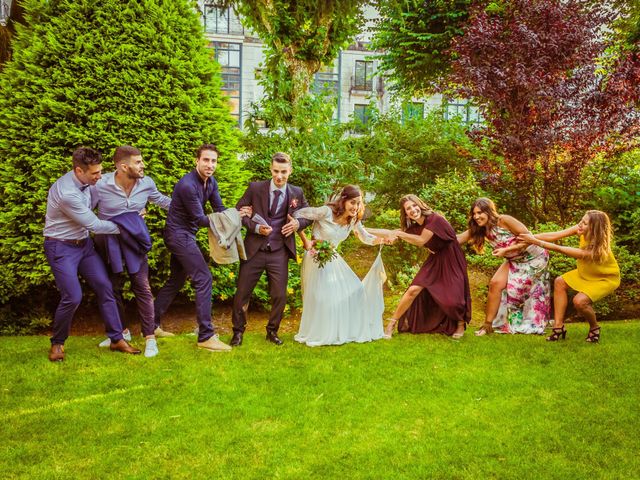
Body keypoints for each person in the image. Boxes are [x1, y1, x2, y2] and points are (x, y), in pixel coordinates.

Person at [43, 147, 141, 361]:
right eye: (95, 173)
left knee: (105, 286)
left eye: (100, 171)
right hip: (61, 247)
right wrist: (131, 225)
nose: (100, 176)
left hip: (84, 246)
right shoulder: (67, 193)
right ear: (79, 171)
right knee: (73, 296)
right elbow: (95, 224)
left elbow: (118, 180)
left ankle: (116, 339)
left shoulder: (89, 181)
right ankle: (57, 343)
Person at [154, 144, 248, 352]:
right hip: (178, 235)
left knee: (176, 280)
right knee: (203, 278)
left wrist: (235, 214)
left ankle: (151, 324)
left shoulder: (211, 182)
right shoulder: (187, 185)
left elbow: (219, 209)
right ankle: (206, 336)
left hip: (186, 234)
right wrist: (233, 216)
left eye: (213, 161)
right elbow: (200, 219)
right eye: (206, 160)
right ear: (196, 161)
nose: (210, 165)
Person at [94, 146, 172, 357]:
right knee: (112, 288)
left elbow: (162, 200)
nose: (143, 165)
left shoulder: (146, 183)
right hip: (108, 241)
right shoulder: (101, 185)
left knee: (143, 287)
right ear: (123, 166)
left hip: (135, 241)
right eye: (138, 162)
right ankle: (121, 332)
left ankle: (150, 338)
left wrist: (189, 209)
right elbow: (86, 210)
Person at [293, 185, 392, 346]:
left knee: (356, 288)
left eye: (359, 203)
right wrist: (306, 239)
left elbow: (365, 236)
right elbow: (299, 215)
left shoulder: (352, 220)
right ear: (344, 200)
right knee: (323, 297)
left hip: (332, 257)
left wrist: (381, 240)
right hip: (315, 257)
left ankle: (341, 330)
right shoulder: (326, 212)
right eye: (353, 202)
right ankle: (322, 332)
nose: (356, 207)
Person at [231, 152, 312, 347]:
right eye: (276, 171)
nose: (279, 176)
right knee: (242, 293)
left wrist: (297, 225)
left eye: (284, 172)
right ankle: (238, 332)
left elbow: (309, 215)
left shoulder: (296, 193)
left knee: (279, 295)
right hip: (254, 250)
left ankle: (272, 331)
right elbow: (239, 212)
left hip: (279, 251)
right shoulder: (255, 188)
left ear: (290, 171)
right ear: (271, 169)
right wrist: (255, 227)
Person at [519, 210, 620, 343]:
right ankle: (558, 327)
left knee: (580, 302)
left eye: (584, 223)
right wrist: (528, 237)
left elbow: (559, 249)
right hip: (585, 272)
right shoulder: (581, 229)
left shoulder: (597, 251)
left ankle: (594, 327)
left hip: (605, 278)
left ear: (594, 228)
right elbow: (555, 235)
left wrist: (534, 241)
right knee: (560, 282)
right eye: (581, 220)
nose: (580, 224)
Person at [457, 198, 550, 335]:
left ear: (489, 211)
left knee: (523, 291)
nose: (476, 217)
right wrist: (434, 238)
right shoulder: (480, 229)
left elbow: (529, 239)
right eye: (474, 213)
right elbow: (457, 239)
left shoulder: (504, 220)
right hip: (514, 260)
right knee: (495, 283)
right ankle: (487, 326)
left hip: (534, 257)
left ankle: (528, 322)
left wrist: (506, 251)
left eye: (480, 213)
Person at [384, 195, 471, 339]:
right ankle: (391, 323)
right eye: (408, 209)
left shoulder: (434, 219)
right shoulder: (416, 226)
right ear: (405, 213)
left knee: (454, 298)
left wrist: (398, 234)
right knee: (413, 289)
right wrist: (362, 229)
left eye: (414, 206)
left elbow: (421, 241)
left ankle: (460, 324)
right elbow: (390, 232)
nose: (412, 210)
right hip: (435, 258)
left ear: (420, 205)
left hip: (451, 258)